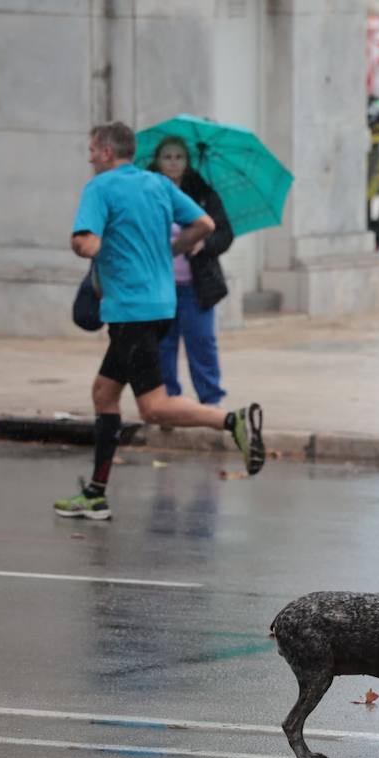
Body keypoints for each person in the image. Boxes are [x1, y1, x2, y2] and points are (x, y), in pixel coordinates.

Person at [56, 122, 264, 521]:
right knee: (104, 392)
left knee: (153, 407)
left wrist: (88, 244)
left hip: (130, 311)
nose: (87, 157)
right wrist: (173, 249)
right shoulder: (158, 185)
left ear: (104, 151)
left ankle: (232, 420)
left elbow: (86, 240)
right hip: (161, 305)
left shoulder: (99, 188)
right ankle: (96, 494)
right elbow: (204, 225)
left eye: (90, 149)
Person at [147, 136, 233, 406]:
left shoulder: (203, 194)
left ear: (187, 162)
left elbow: (224, 234)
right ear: (158, 162)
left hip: (197, 286)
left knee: (202, 342)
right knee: (163, 345)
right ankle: (168, 399)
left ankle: (211, 399)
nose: (173, 163)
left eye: (179, 157)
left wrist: (204, 243)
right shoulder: (148, 193)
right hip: (160, 287)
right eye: (167, 157)